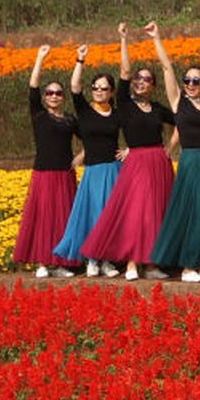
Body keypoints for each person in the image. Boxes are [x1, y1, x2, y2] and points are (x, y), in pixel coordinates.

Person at [80, 23, 177, 280]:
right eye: (138, 78)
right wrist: (123, 39)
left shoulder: (157, 108)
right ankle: (133, 262)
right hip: (137, 162)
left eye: (147, 79)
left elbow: (181, 120)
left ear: (153, 85)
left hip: (158, 160)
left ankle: (152, 263)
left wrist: (171, 146)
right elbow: (123, 70)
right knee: (137, 212)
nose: (141, 82)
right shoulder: (123, 103)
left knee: (157, 211)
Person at [149, 25, 200, 282]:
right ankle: (188, 267)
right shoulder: (179, 102)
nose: (190, 84)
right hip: (191, 160)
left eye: (196, 81)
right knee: (196, 212)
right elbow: (167, 69)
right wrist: (157, 38)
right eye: (187, 81)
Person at [52, 46, 123, 273]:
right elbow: (74, 87)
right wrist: (80, 60)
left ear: (111, 92)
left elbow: (137, 130)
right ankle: (92, 258)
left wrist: (130, 149)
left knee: (110, 216)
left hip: (113, 169)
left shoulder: (117, 112)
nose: (99, 91)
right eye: (95, 88)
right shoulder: (85, 110)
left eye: (104, 88)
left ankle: (107, 259)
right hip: (93, 171)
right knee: (93, 215)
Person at [14, 45, 80, 279]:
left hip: (64, 173)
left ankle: (59, 263)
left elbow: (91, 139)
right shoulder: (40, 116)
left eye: (58, 93)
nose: (54, 96)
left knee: (63, 218)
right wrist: (40, 58)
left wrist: (78, 159)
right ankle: (42, 262)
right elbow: (32, 87)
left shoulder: (70, 120)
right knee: (43, 218)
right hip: (43, 173)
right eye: (50, 93)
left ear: (63, 98)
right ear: (45, 97)